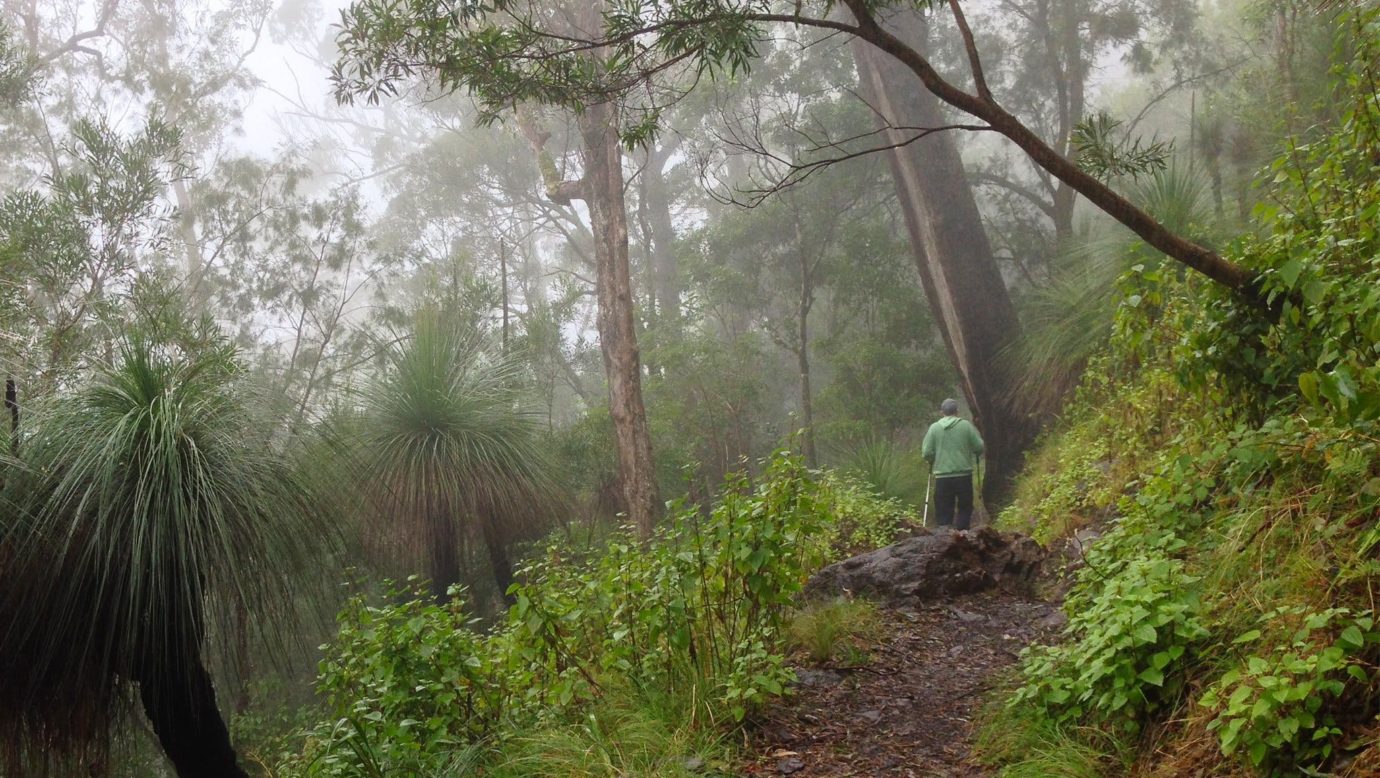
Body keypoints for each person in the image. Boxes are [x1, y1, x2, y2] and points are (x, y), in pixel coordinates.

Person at [922, 398, 984, 530]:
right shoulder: (966, 426)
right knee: (965, 507)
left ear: (941, 412)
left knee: (943, 510)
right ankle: (963, 535)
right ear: (957, 412)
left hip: (942, 477)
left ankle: (944, 537)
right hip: (963, 475)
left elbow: (926, 452)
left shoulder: (934, 428)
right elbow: (979, 447)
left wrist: (934, 459)